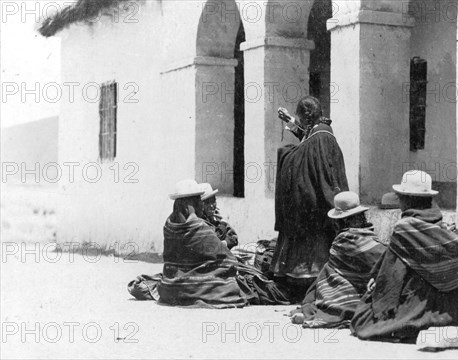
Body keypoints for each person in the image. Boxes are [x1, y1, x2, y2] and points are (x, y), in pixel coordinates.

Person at [350, 170, 458, 343]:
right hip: (450, 312)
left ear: (407, 199)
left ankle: (408, 324)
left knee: (362, 320)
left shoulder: (405, 228)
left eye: (400, 197)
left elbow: (392, 275)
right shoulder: (441, 227)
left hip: (418, 306)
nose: (399, 201)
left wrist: (378, 294)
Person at [128, 180, 290, 307]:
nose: (202, 204)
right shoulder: (198, 227)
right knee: (262, 286)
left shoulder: (170, 226)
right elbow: (228, 260)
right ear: (189, 204)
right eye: (198, 200)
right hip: (195, 286)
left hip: (171, 284)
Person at [272, 96, 349, 297]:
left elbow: (314, 158)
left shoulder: (323, 137)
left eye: (300, 117)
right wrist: (290, 122)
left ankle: (307, 282)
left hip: (316, 201)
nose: (299, 121)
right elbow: (308, 144)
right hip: (313, 198)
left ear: (307, 115)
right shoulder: (319, 133)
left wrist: (287, 156)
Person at [290, 191, 386, 328]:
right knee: (328, 269)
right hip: (362, 286)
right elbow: (382, 257)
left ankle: (321, 307)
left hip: (353, 286)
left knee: (328, 270)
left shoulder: (343, 239)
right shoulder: (363, 237)